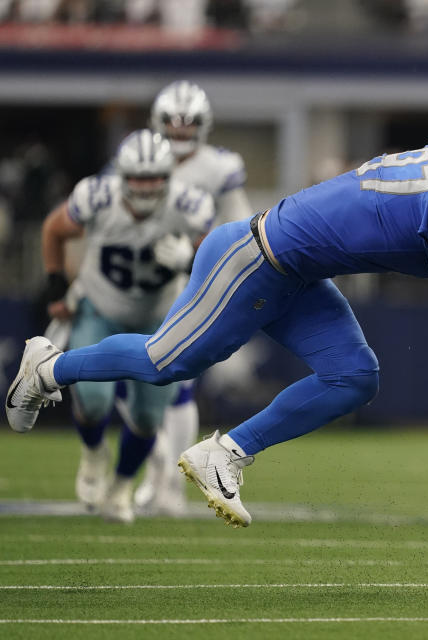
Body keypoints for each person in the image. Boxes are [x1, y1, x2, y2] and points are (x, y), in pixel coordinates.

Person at [6, 127, 428, 529]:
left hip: (297, 269)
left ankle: (228, 454)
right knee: (167, 362)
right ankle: (49, 366)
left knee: (354, 376)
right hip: (255, 259)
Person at [39, 129, 214, 523]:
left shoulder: (189, 205)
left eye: (154, 176)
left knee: (149, 418)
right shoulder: (96, 196)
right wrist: (55, 282)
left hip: (159, 319)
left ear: (170, 176)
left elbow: (221, 257)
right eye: (137, 176)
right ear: (122, 175)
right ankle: (93, 452)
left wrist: (190, 258)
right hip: (100, 309)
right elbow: (53, 229)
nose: (146, 185)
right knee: (93, 401)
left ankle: (121, 486)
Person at [134, 80, 253, 517]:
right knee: (134, 383)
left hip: (191, 283)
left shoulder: (219, 167)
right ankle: (158, 469)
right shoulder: (136, 157)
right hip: (138, 282)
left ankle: (171, 479)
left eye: (189, 122)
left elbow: (240, 226)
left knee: (178, 381)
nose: (180, 130)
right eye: (173, 122)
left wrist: (197, 253)